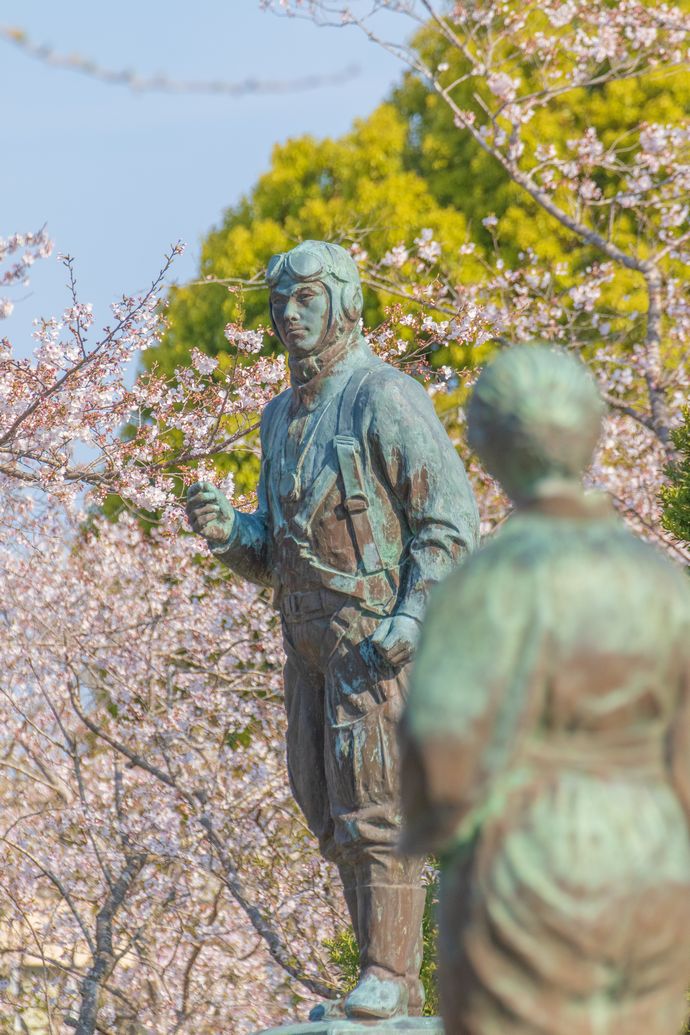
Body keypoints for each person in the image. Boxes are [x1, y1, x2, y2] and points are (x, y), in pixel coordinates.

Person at [186, 240, 479, 1020]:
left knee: (376, 800)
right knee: (324, 802)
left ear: (347, 303)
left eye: (308, 298)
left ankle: (387, 972)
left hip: (373, 635)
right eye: (280, 301)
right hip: (306, 643)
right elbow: (276, 554)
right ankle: (387, 984)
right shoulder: (278, 417)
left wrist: (414, 614)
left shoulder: (385, 396)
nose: (291, 314)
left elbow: (450, 522)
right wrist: (229, 531)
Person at [400, 343, 690, 1035]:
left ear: (484, 445)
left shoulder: (485, 584)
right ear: (591, 432)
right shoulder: (663, 584)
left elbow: (439, 745)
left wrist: (445, 838)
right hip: (651, 856)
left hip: (525, 857)